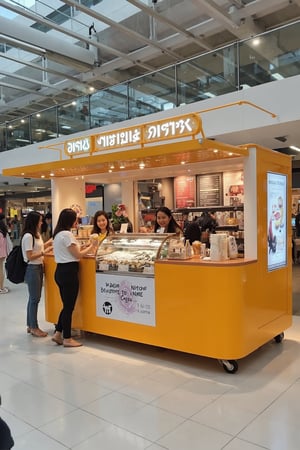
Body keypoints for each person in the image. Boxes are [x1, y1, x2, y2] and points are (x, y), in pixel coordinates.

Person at [52, 208, 98, 348]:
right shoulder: (67, 234)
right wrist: (92, 246)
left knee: (66, 305)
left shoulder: (58, 234)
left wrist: (85, 246)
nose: (77, 222)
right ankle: (67, 338)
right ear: (70, 220)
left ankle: (58, 333)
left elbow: (72, 251)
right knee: (68, 307)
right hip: (69, 272)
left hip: (60, 271)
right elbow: (77, 255)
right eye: (76, 219)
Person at [21, 211, 53, 337]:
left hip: (38, 267)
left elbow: (37, 249)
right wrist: (44, 253)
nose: (42, 222)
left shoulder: (36, 234)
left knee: (33, 298)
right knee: (35, 299)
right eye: (40, 220)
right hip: (32, 268)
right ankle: (34, 327)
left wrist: (47, 245)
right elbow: (29, 256)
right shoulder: (28, 236)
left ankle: (30, 325)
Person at [0, 214, 10, 294]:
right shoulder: (3, 231)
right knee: (1, 269)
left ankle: (1, 287)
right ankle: (1, 287)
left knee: (0, 270)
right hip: (2, 253)